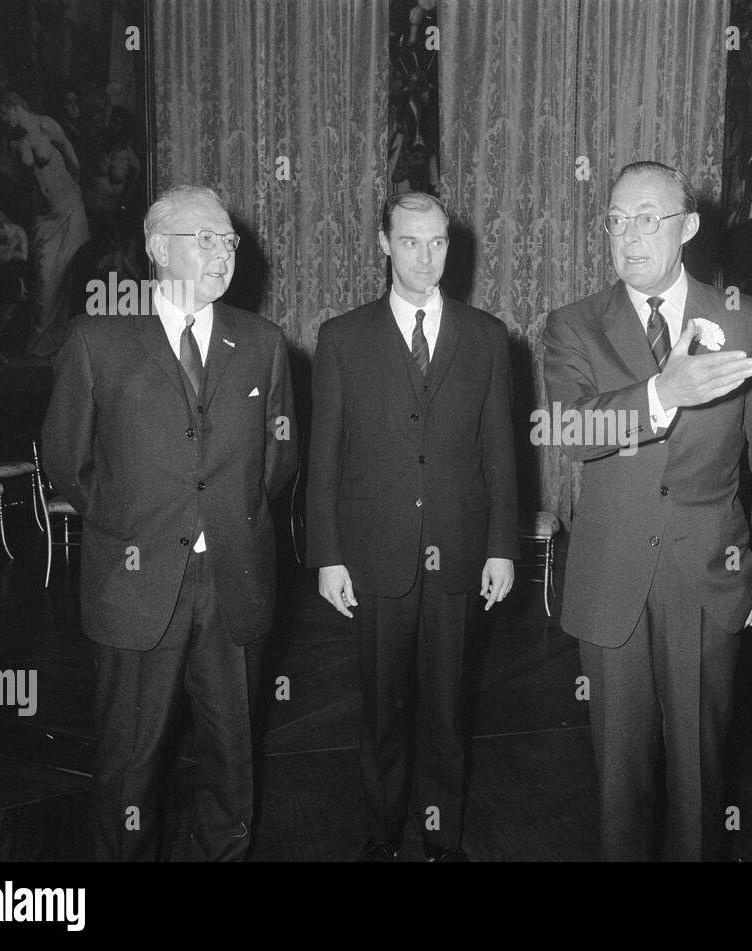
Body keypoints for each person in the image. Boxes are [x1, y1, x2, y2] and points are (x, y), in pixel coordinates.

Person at [543, 161, 752, 861]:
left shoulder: (744, 319)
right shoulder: (573, 326)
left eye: (647, 218)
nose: (629, 236)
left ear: (687, 227)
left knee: (700, 772)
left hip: (708, 572)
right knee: (618, 779)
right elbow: (571, 430)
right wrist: (664, 393)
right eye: (616, 221)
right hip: (610, 575)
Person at [42, 185, 298, 860]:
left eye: (229, 241)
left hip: (234, 583)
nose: (223, 254)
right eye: (204, 240)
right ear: (158, 249)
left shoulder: (264, 343)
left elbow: (278, 460)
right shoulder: (99, 340)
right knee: (129, 765)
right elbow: (65, 458)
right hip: (134, 585)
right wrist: (129, 525)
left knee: (233, 763)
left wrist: (225, 520)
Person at [306, 191, 517, 862]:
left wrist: (503, 548)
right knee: (382, 711)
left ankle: (441, 839)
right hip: (375, 556)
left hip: (458, 551)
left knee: (449, 710)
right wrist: (327, 556)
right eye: (410, 242)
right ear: (383, 243)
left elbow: (500, 453)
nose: (426, 257)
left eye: (438, 243)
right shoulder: (342, 337)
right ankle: (380, 835)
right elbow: (324, 457)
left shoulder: (487, 336)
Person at [0, 90, 90, 359]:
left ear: (14, 107)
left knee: (72, 274)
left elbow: (70, 154)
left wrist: (73, 189)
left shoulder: (46, 125)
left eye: (4, 115)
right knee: (45, 281)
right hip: (45, 219)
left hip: (69, 207)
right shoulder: (14, 143)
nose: (4, 121)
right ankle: (41, 349)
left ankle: (68, 348)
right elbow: (29, 182)